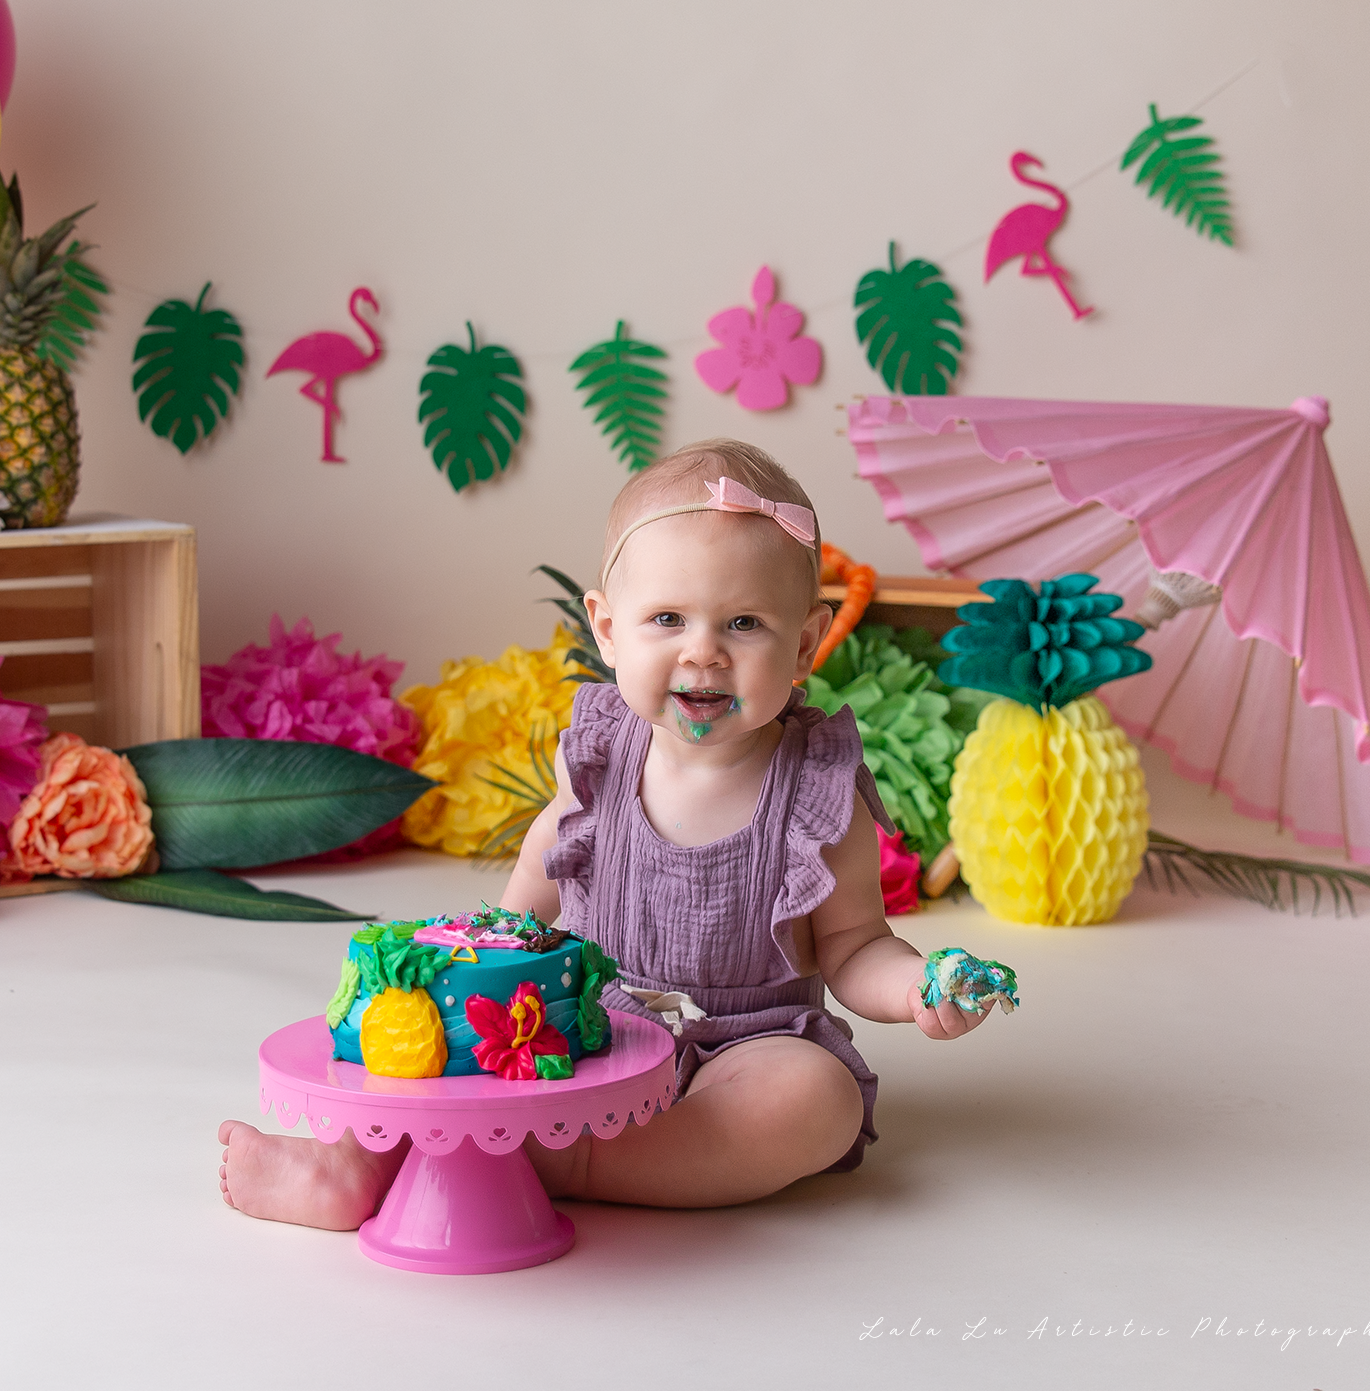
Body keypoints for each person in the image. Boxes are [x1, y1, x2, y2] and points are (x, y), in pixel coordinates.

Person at [218, 439, 996, 1228]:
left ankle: (576, 1160)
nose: (703, 650)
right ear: (609, 629)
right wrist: (480, 972)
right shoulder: (597, 760)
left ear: (803, 643)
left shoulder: (818, 794)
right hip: (597, 1024)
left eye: (743, 622)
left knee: (816, 1098)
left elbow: (856, 946)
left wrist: (915, 985)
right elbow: (532, 893)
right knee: (467, 1042)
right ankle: (347, 1167)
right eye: (668, 618)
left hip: (750, 1043)